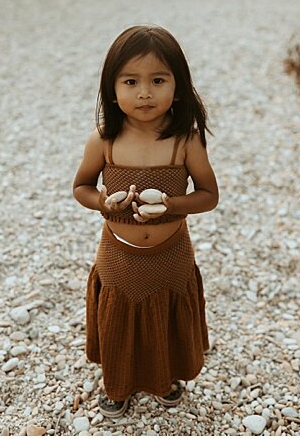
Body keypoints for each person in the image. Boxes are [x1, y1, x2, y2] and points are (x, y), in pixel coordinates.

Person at [71, 24, 216, 416]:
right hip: (119, 256)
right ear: (112, 90)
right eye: (131, 81)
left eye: (158, 80)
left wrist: (171, 205)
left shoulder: (186, 140)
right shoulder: (103, 140)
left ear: (179, 86)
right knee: (119, 318)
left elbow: (208, 196)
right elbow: (81, 187)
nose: (145, 92)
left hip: (171, 256)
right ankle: (118, 386)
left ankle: (164, 377)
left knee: (165, 317)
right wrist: (104, 202)